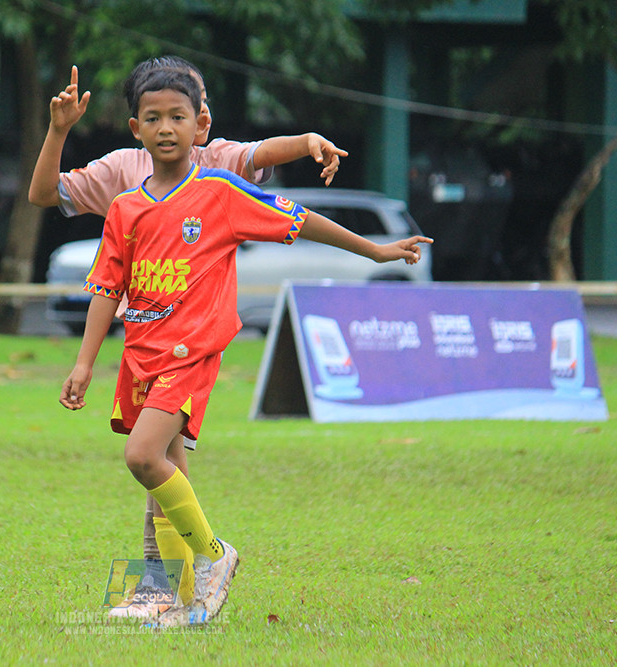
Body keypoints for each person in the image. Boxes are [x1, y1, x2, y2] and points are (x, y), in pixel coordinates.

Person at [59, 67, 431, 628]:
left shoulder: (221, 193)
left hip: (192, 352)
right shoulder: (124, 209)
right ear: (136, 129)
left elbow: (301, 221)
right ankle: (177, 601)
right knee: (167, 469)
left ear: (200, 125)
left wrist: (375, 251)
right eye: (154, 119)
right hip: (142, 355)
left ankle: (214, 557)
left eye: (178, 117)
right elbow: (107, 289)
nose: (166, 128)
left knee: (141, 457)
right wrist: (84, 364)